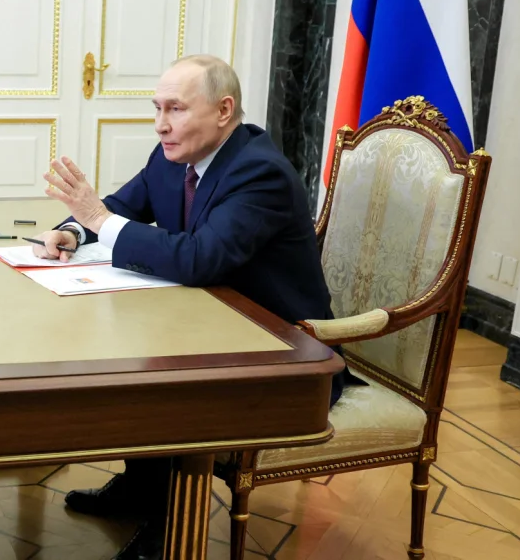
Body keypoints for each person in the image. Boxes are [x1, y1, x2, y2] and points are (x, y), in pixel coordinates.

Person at [30, 55, 353, 560]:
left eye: (176, 109)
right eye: (157, 108)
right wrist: (71, 229)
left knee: (166, 382)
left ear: (225, 110)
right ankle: (141, 488)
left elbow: (201, 260)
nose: (161, 124)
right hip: (211, 325)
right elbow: (123, 207)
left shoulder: (258, 173)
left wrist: (96, 214)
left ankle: (170, 535)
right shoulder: (172, 155)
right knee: (139, 355)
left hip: (284, 353)